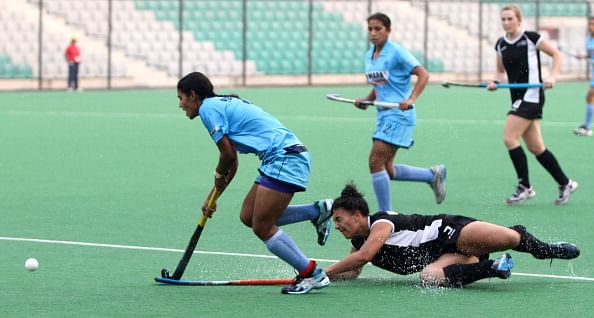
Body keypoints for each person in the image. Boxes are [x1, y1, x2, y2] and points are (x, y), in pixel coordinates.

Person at [176, 72, 333, 295]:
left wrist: (217, 174)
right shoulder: (219, 103)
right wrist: (213, 196)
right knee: (249, 216)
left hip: (284, 158)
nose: (180, 105)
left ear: (192, 95)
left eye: (181, 98)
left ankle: (311, 273)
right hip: (280, 158)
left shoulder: (207, 109)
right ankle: (316, 211)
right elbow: (233, 161)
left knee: (262, 226)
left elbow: (227, 157)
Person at [323, 182, 580, 287]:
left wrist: (320, 273)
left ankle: (547, 250)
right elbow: (352, 271)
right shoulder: (358, 243)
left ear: (357, 214)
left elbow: (364, 257)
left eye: (339, 219)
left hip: (449, 233)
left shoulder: (380, 224)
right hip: (445, 257)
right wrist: (315, 276)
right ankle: (494, 267)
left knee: (511, 239)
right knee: (429, 277)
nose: (336, 226)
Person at [354, 13, 446, 213]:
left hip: (399, 115)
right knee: (386, 169)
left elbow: (423, 73)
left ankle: (386, 215)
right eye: (370, 29)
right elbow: (379, 85)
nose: (373, 33)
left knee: (375, 161)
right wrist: (367, 100)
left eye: (378, 29)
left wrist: (411, 99)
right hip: (382, 115)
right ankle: (432, 175)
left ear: (388, 30)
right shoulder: (369, 55)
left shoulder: (396, 52)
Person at [486, 4, 578, 205]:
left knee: (509, 137)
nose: (506, 22)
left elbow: (557, 55)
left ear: (519, 20)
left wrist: (552, 77)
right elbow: (500, 72)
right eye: (503, 19)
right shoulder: (500, 44)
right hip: (517, 97)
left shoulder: (531, 38)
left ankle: (525, 186)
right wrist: (496, 82)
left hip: (533, 96)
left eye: (510, 18)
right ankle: (566, 183)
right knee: (536, 147)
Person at [574, 17, 594, 137]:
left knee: (590, 95)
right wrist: (582, 57)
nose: (591, 26)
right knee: (589, 98)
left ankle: (587, 127)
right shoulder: (588, 39)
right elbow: (589, 55)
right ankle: (587, 126)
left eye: (593, 23)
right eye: (590, 23)